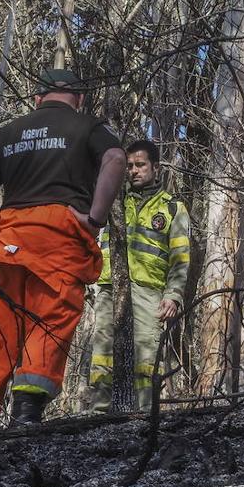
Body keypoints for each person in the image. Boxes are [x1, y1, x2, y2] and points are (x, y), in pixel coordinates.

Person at [0, 68, 126, 429]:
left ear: (38, 99)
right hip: (57, 237)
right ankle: (26, 415)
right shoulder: (88, 127)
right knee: (50, 322)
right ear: (79, 99)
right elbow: (116, 159)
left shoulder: (7, 134)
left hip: (7, 238)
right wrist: (95, 218)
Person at [89, 140, 190, 412]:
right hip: (110, 288)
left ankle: (145, 416)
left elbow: (180, 258)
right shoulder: (113, 202)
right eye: (130, 166)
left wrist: (174, 295)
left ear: (155, 167)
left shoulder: (172, 208)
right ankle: (99, 414)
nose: (134, 171)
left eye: (140, 165)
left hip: (149, 292)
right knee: (102, 357)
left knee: (146, 358)